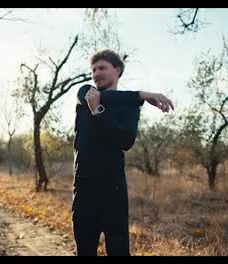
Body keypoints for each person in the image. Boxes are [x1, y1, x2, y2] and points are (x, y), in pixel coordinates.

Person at [72, 49, 174, 256]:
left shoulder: (129, 108)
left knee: (118, 250)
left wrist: (99, 112)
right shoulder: (86, 93)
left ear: (117, 70)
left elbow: (126, 141)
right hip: (84, 188)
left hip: (113, 189)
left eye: (102, 68)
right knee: (84, 250)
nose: (96, 73)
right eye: (93, 69)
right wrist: (141, 95)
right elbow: (102, 97)